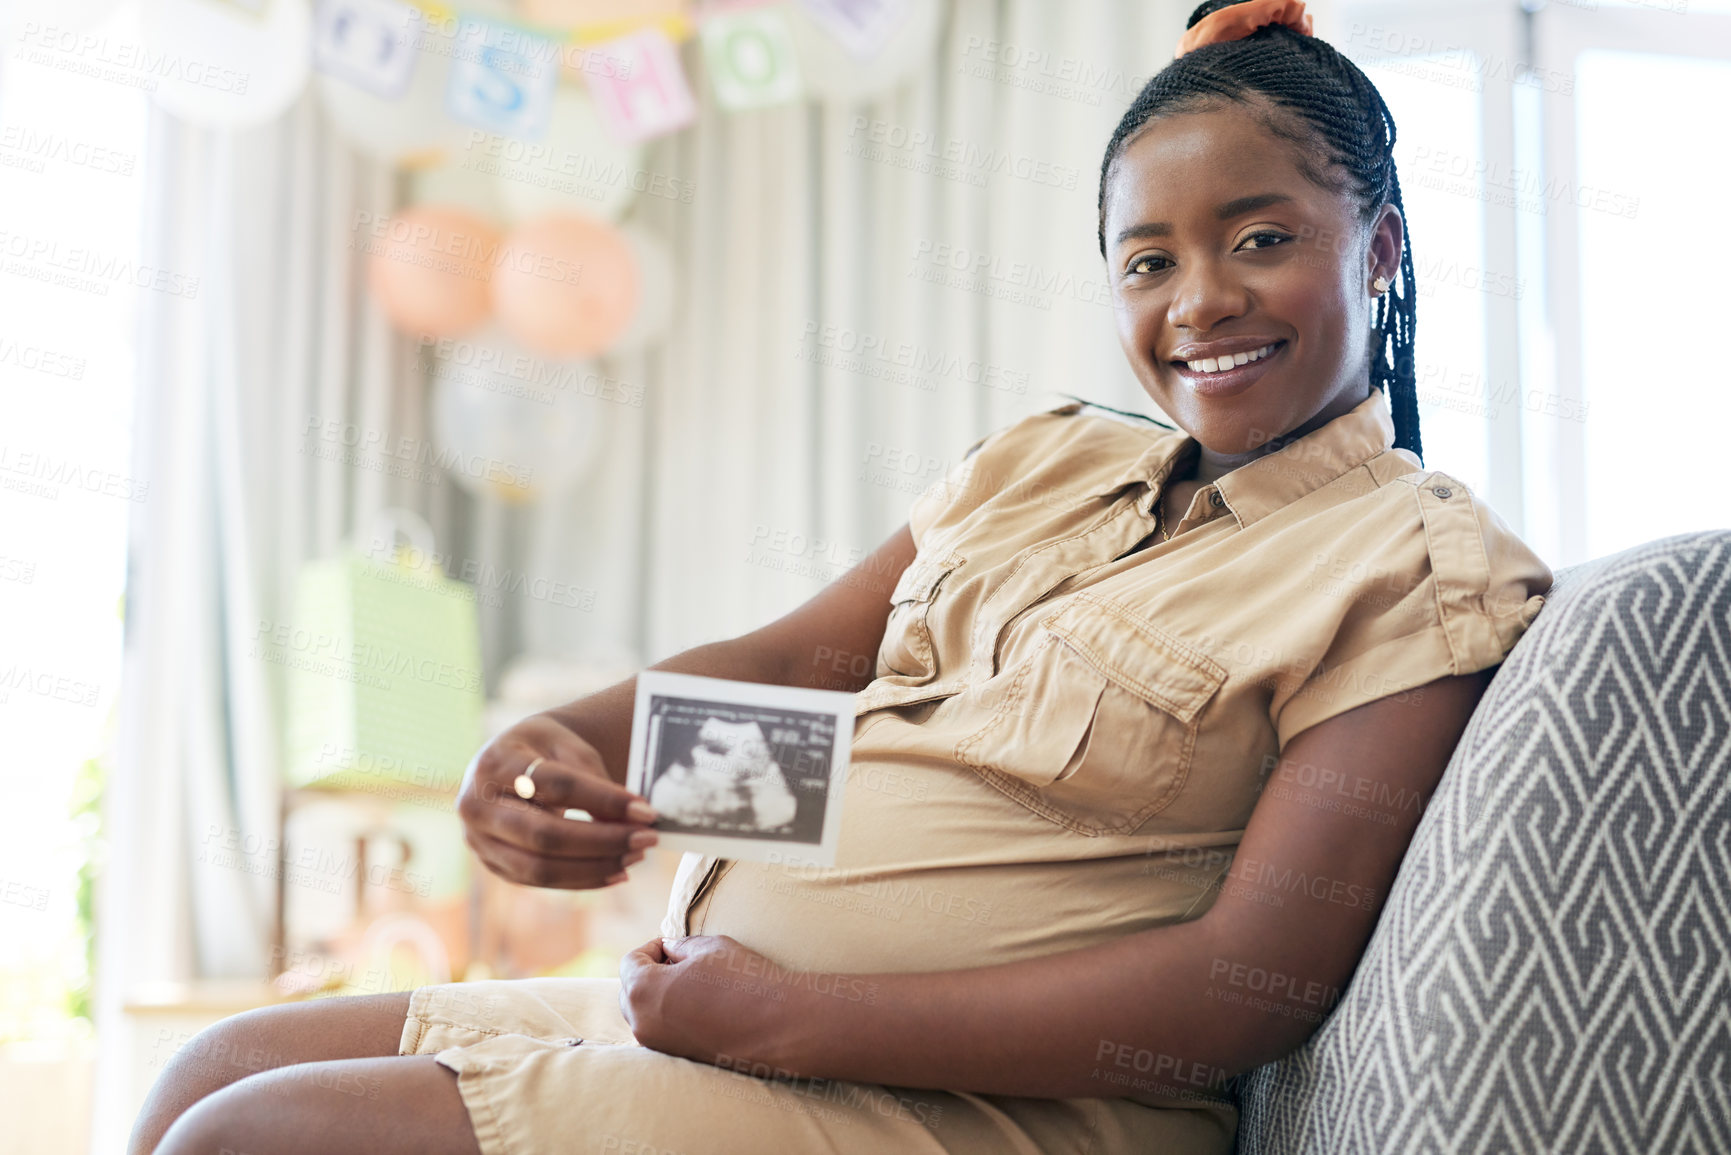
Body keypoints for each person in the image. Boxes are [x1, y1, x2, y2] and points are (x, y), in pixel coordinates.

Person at [130, 1, 1553, 1152]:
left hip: (979, 1110)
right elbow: (803, 672)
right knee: (214, 1066)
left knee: (260, 1135)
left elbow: (1248, 983)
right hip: (726, 1024)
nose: (1199, 302)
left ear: (1379, 247)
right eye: (1147, 259)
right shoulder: (1047, 462)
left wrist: (787, 1024)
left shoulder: (1413, 561)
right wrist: (561, 750)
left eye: (1262, 239)